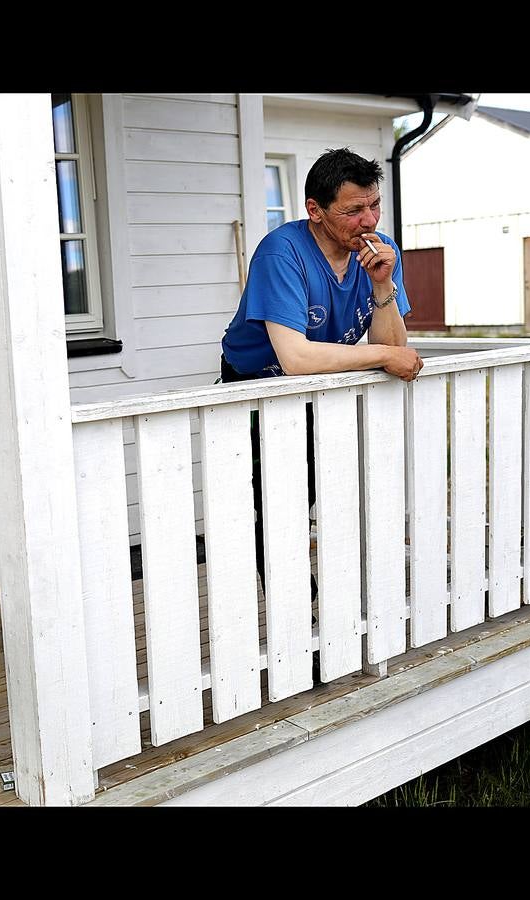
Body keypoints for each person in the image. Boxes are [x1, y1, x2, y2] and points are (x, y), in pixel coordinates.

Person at [220, 147, 425, 597]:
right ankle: (295, 601)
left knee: (310, 491)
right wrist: (383, 357)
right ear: (315, 210)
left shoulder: (380, 253)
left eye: (374, 206)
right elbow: (296, 359)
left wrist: (382, 284)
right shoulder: (282, 252)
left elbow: (392, 344)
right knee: (270, 503)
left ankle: (324, 598)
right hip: (256, 387)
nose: (368, 221)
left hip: (324, 382)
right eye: (353, 211)